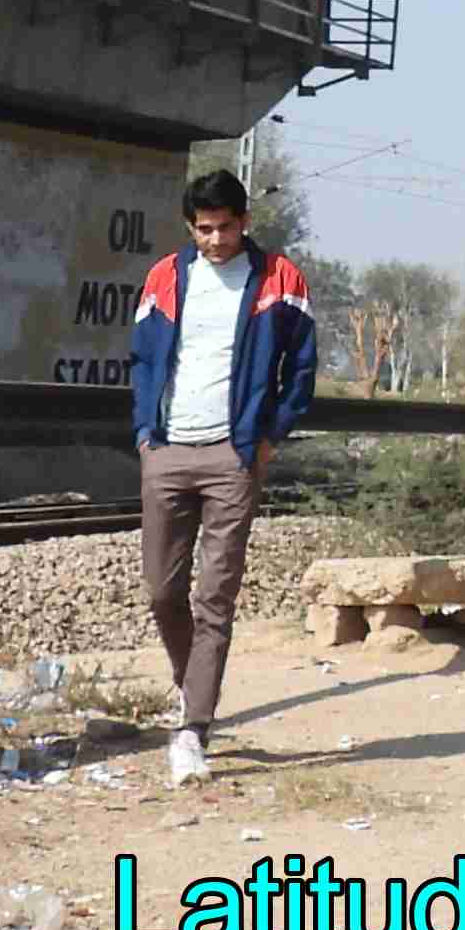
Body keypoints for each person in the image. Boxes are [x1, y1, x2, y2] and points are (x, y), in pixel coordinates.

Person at [126, 167, 317, 787]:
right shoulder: (164, 276)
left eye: (225, 228)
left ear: (245, 222)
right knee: (162, 590)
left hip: (233, 457)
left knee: (215, 596)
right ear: (190, 226)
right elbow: (141, 358)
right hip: (167, 450)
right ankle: (194, 687)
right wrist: (145, 433)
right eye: (204, 229)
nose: (215, 240)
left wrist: (267, 438)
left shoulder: (281, 278)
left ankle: (193, 728)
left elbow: (302, 370)